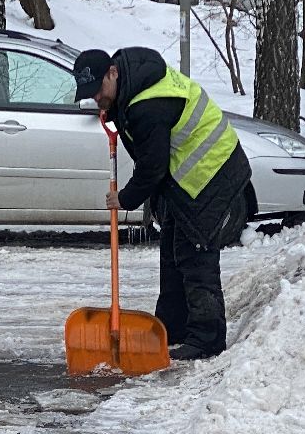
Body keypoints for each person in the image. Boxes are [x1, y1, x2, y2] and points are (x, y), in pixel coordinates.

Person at [73, 46, 251, 360]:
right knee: (171, 251)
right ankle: (172, 327)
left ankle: (207, 339)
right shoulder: (135, 85)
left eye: (98, 90)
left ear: (113, 73)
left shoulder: (147, 106)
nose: (97, 98)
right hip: (190, 177)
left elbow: (152, 167)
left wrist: (124, 198)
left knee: (196, 255)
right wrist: (113, 110)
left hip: (213, 173)